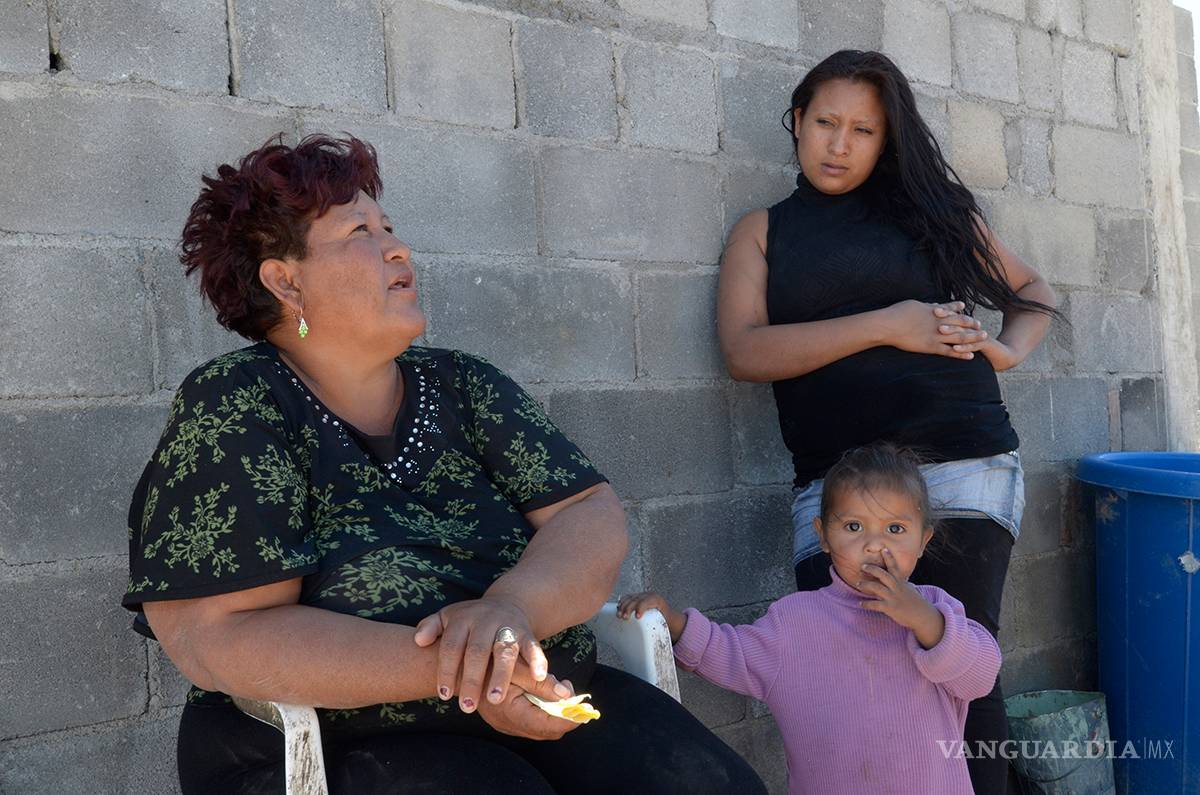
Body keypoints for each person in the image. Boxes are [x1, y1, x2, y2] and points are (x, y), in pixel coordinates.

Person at [122, 134, 766, 794]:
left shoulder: (464, 383)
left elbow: (586, 511)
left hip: (534, 691)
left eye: (389, 228)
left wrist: (511, 609)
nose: (397, 248)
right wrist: (472, 668)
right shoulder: (238, 402)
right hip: (329, 740)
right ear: (286, 280)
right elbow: (218, 635)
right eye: (360, 232)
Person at [716, 50, 1058, 793]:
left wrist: (1002, 351)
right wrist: (889, 323)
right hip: (835, 488)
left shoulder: (934, 215)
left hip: (962, 464)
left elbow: (1034, 291)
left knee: (961, 671)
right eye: (825, 123)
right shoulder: (763, 232)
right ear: (797, 122)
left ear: (886, 139)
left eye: (863, 130)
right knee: (848, 671)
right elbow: (744, 351)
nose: (839, 145)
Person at [619, 444, 1002, 795]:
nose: (874, 545)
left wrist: (925, 621)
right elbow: (730, 652)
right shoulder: (795, 622)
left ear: (923, 541)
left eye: (895, 529)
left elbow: (981, 677)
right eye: (853, 527)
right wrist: (671, 622)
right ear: (823, 536)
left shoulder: (938, 610)